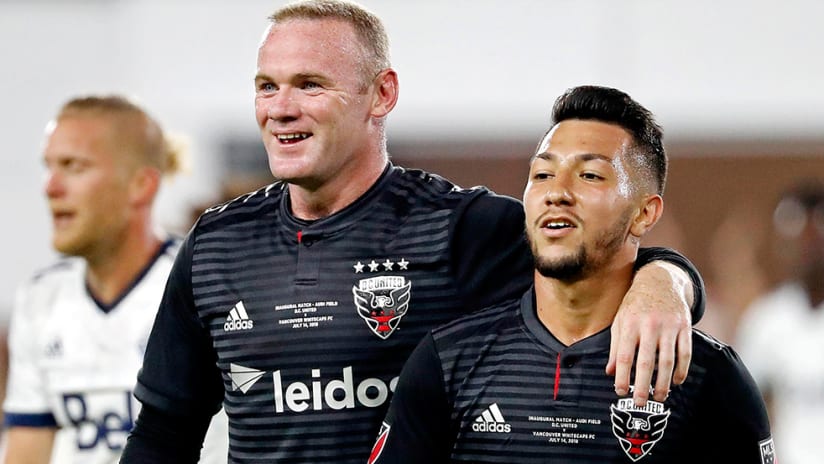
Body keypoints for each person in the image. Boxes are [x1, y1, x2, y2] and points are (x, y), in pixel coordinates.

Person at [119, 2, 707, 462]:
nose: (281, 107)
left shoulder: (460, 228)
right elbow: (163, 434)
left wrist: (665, 282)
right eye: (267, 86)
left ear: (382, 94)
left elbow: (594, 255)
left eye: (310, 84)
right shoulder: (217, 245)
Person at [370, 85, 773, 463]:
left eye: (590, 176)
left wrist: (667, 279)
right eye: (542, 174)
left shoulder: (708, 375)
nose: (556, 191)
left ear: (644, 213)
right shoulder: (447, 360)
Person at [0, 95, 228, 464]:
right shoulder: (40, 298)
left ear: (141, 185)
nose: (50, 187)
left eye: (73, 166)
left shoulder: (205, 281)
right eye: (49, 167)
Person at [735, 179, 824, 464]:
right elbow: (741, 408)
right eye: (793, 237)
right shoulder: (767, 319)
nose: (804, 249)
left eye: (813, 237)